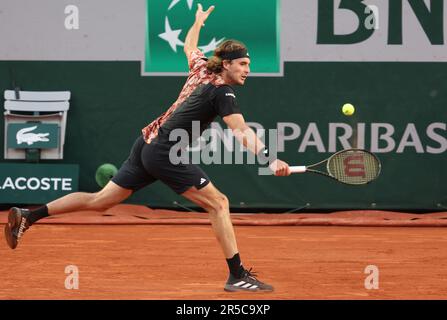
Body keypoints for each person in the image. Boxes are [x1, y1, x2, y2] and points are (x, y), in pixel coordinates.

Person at [4, 4, 291, 292]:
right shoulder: (222, 92)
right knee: (219, 204)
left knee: (101, 201)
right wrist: (270, 158)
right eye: (242, 64)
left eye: (249, 65)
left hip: (147, 143)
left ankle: (30, 215)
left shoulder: (202, 67)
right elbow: (241, 130)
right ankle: (237, 275)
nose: (248, 70)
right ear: (227, 64)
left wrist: (197, 24)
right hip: (165, 151)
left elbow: (189, 46)